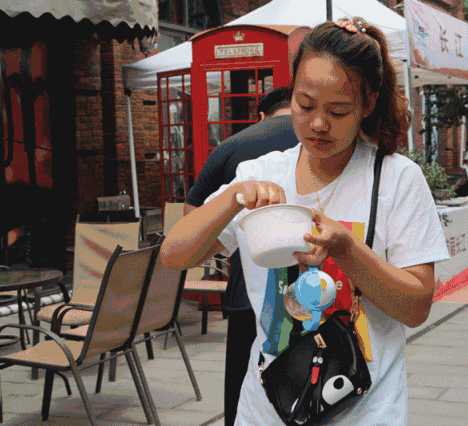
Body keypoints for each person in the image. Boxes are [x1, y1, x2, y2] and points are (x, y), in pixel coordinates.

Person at [162, 17, 449, 425]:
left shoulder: (396, 179)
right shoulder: (259, 173)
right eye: (305, 104)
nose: (318, 124)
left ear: (367, 104)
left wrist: (348, 251)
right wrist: (230, 199)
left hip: (364, 411)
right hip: (265, 409)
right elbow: (174, 256)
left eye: (338, 110)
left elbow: (417, 305)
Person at [183, 87, 297, 426]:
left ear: (261, 114)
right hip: (313, 288)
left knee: (244, 384)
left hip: (248, 290)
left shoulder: (233, 145)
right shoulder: (322, 141)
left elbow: (192, 214)